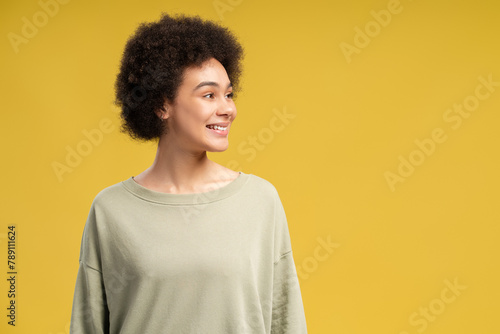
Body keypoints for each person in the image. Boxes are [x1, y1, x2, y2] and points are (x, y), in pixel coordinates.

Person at [69, 13, 307, 334]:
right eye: (209, 95)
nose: (227, 108)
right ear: (162, 105)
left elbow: (286, 321)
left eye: (229, 94)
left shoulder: (260, 200)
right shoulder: (110, 211)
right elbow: (88, 326)